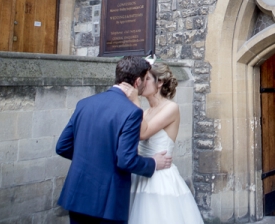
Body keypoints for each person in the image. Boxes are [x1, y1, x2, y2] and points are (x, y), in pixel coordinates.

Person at [56, 56, 173, 224]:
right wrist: (153, 163)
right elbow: (126, 161)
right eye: (145, 79)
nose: (146, 83)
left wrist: (91, 159)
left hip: (77, 195)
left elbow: (62, 146)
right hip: (107, 202)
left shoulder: (85, 103)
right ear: (137, 81)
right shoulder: (132, 112)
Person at [124, 62, 205, 224]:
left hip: (160, 179)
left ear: (159, 82)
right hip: (141, 175)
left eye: (147, 79)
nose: (141, 83)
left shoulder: (171, 108)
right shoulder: (146, 112)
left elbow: (143, 133)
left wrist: (134, 102)